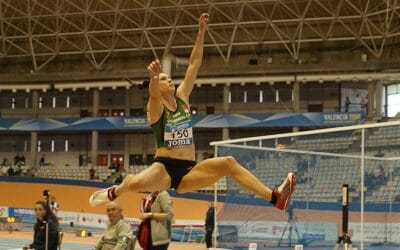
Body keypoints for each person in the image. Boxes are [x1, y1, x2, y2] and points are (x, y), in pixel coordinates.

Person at [89, 13, 295, 212]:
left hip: (189, 170)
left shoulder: (182, 98)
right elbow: (153, 95)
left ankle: (275, 198)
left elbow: (194, 64)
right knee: (134, 183)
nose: (169, 80)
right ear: (156, 86)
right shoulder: (155, 107)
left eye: (168, 78)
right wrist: (153, 78)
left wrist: (201, 32)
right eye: (163, 79)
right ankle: (115, 191)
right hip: (165, 167)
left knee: (228, 163)